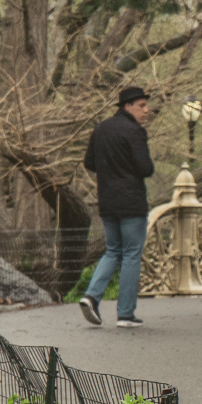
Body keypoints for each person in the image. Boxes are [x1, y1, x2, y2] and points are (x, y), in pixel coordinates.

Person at [79, 86, 155, 328]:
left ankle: (91, 296)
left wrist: (110, 169)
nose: (146, 110)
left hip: (107, 201)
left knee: (113, 250)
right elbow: (146, 168)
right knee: (132, 254)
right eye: (141, 105)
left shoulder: (101, 129)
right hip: (131, 202)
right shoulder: (135, 131)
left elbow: (89, 162)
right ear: (127, 106)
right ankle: (125, 314)